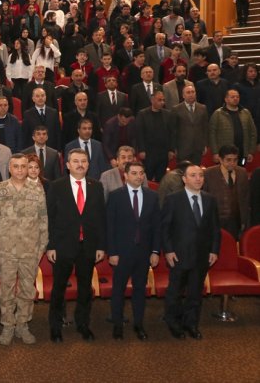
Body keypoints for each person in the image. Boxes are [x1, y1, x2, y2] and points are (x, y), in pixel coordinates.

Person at [0, 154, 48, 345]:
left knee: (28, 290)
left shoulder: (37, 191)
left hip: (30, 251)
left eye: (23, 167)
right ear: (9, 169)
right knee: (6, 290)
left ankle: (23, 324)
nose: (20, 170)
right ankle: (8, 325)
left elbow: (43, 222)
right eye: (16, 167)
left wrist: (40, 250)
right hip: (5, 251)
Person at [46, 148, 106, 343]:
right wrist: (51, 246)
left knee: (85, 289)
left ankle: (83, 324)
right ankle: (55, 327)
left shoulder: (97, 186)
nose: (80, 164)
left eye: (84, 161)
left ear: (88, 165)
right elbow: (51, 218)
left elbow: (100, 219)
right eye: (76, 161)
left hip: (87, 246)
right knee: (59, 288)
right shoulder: (56, 186)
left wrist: (100, 246)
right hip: (63, 245)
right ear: (68, 165)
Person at [162, 164, 221, 340]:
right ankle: (173, 323)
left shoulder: (210, 199)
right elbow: (165, 228)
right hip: (179, 255)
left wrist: (214, 250)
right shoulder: (173, 199)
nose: (198, 179)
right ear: (184, 179)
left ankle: (191, 324)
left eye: (201, 176)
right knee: (175, 292)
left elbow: (215, 229)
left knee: (195, 293)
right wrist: (168, 251)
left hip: (202, 256)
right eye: (193, 175)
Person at [106, 161, 161, 341]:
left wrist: (155, 251)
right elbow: (110, 227)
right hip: (121, 253)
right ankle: (117, 324)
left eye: (141, 173)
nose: (139, 176)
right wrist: (112, 252)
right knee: (118, 290)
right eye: (135, 173)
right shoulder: (115, 196)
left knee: (139, 290)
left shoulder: (152, 196)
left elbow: (156, 227)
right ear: (126, 176)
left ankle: (139, 324)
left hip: (144, 253)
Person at [202, 145, 251, 239]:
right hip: (216, 220)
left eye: (235, 160)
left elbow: (246, 198)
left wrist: (244, 221)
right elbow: (204, 198)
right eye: (228, 160)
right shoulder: (208, 173)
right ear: (220, 159)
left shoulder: (242, 172)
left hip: (236, 221)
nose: (232, 163)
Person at [208, 89, 257, 166]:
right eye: (232, 97)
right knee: (224, 174)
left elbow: (253, 133)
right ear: (226, 99)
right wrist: (215, 152)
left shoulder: (246, 113)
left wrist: (251, 151)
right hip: (225, 153)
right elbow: (211, 134)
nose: (235, 98)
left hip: (243, 153)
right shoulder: (218, 114)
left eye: (237, 97)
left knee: (241, 171)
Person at [136, 91, 172, 182]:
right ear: (152, 100)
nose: (162, 102)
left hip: (163, 154)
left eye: (163, 100)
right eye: (159, 100)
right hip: (149, 153)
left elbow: (171, 133)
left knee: (161, 179)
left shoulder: (167, 114)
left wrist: (171, 149)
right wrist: (141, 150)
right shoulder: (142, 114)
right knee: (146, 179)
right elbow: (139, 133)